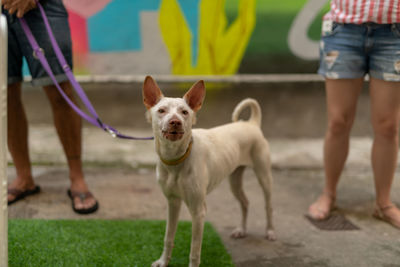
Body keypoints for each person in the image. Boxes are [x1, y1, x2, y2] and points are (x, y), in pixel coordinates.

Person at [308, 0, 400, 229]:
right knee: (338, 122)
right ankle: (328, 194)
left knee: (388, 125)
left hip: (394, 32)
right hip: (343, 29)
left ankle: (384, 203)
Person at [2, 0, 98, 214]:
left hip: (41, 6)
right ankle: (24, 178)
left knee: (60, 92)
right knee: (5, 93)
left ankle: (77, 177)